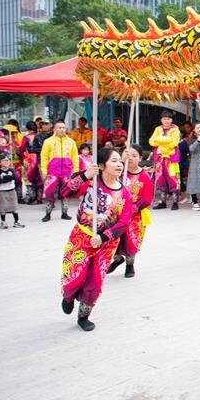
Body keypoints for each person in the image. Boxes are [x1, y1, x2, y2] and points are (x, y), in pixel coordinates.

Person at [58, 148, 133, 331]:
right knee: (76, 275)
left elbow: (123, 222)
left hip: (106, 244)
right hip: (82, 236)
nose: (119, 164)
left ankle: (83, 316)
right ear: (101, 165)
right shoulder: (91, 183)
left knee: (95, 281)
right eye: (114, 161)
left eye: (120, 161)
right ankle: (68, 296)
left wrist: (103, 237)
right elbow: (65, 192)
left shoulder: (125, 193)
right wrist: (85, 175)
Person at [108, 145, 153, 279]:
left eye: (135, 156)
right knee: (113, 238)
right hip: (116, 213)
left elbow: (147, 198)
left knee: (130, 241)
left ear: (140, 158)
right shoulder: (119, 172)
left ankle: (129, 265)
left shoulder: (144, 176)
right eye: (129, 155)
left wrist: (132, 209)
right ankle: (117, 259)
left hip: (134, 215)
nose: (132, 158)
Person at [40, 120, 79, 222]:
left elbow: (75, 158)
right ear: (54, 129)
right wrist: (44, 171)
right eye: (59, 128)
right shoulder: (48, 142)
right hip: (53, 172)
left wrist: (75, 171)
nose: (62, 130)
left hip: (67, 172)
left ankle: (64, 213)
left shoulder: (71, 142)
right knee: (49, 192)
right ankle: (48, 213)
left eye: (63, 128)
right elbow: (44, 157)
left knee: (66, 193)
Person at [149, 110, 181, 210]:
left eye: (168, 118)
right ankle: (163, 202)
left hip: (170, 159)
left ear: (171, 120)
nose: (166, 120)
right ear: (161, 120)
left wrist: (160, 143)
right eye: (164, 119)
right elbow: (151, 142)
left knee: (173, 179)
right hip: (160, 159)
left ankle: (175, 202)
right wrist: (166, 140)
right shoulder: (157, 129)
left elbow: (174, 143)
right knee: (160, 179)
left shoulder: (175, 130)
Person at [0, 153, 23, 228]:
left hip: (11, 190)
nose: (6, 162)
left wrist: (5, 178)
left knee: (14, 206)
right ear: (0, 162)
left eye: (8, 160)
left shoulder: (11, 170)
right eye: (4, 160)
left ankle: (17, 221)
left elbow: (13, 177)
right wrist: (8, 178)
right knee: (2, 207)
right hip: (1, 191)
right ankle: (3, 222)